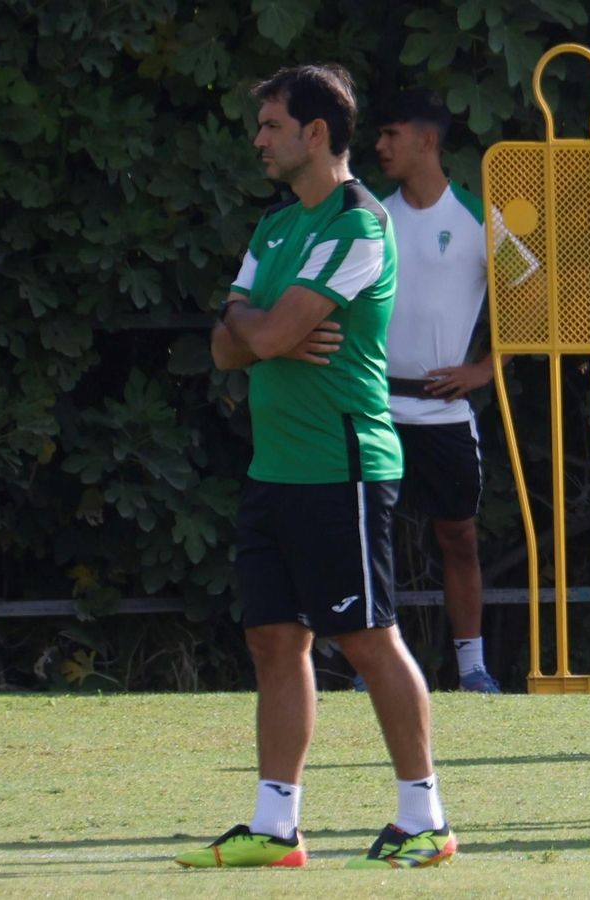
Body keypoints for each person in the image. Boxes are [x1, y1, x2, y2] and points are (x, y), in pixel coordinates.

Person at [175, 64, 455, 870]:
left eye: (270, 125)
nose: (259, 139)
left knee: (367, 639)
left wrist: (259, 325)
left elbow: (258, 339)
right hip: (276, 471)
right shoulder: (273, 229)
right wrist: (255, 321)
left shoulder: (359, 226)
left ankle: (424, 819)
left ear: (316, 133)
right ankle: (276, 827)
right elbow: (232, 344)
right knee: (272, 640)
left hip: (344, 465)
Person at [371, 88, 537, 694]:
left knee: (458, 535)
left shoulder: (475, 218)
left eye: (391, 134)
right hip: (376, 406)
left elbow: (536, 298)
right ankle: (375, 667)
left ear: (427, 140)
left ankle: (472, 669)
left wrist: (486, 369)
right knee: (371, 534)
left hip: (444, 411)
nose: (381, 146)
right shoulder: (373, 216)